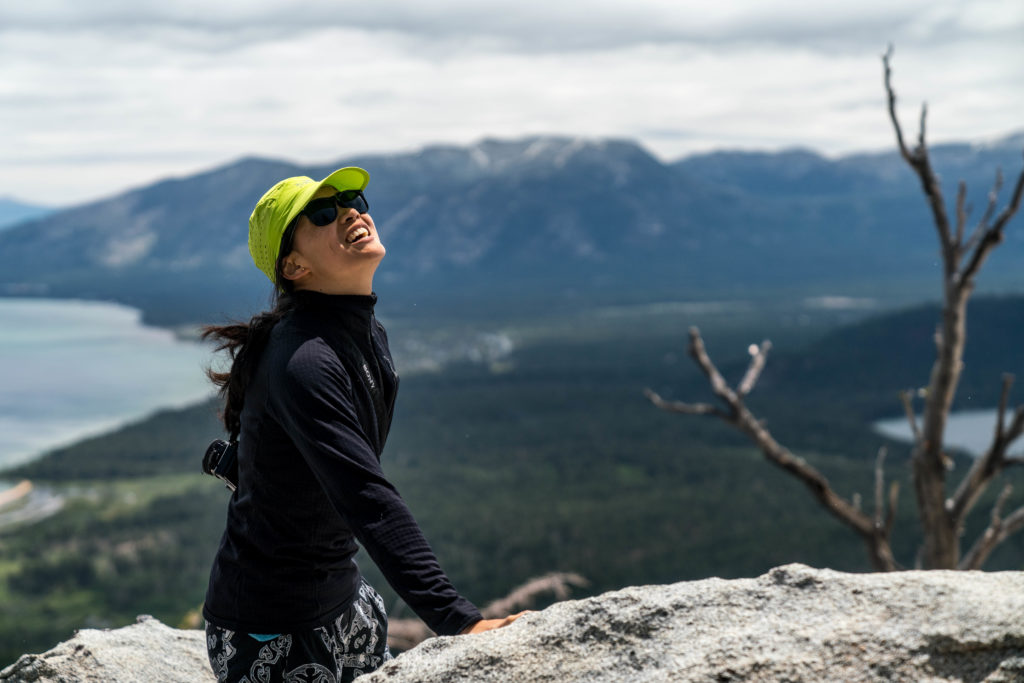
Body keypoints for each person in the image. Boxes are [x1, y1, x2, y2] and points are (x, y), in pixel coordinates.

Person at [201, 167, 524, 682]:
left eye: (353, 198)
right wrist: (460, 623)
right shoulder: (304, 361)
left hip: (347, 602)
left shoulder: (363, 331)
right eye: (323, 214)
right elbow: (365, 497)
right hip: (273, 631)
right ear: (294, 265)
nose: (352, 211)